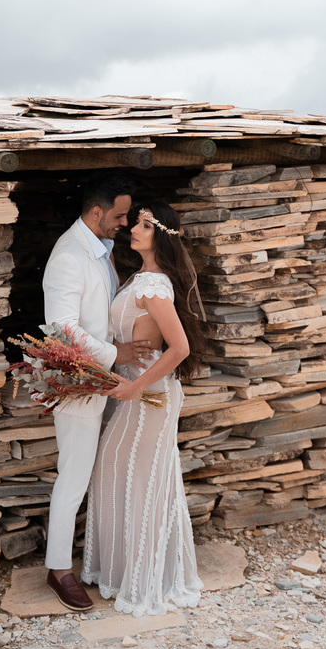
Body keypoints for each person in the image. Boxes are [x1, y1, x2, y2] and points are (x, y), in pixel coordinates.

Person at [82, 202, 206, 617]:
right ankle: (123, 573)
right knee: (121, 473)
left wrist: (135, 385)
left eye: (145, 225)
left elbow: (181, 348)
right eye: (136, 221)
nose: (134, 228)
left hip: (151, 396)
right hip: (135, 392)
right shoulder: (140, 278)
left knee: (143, 479)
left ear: (163, 235)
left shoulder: (154, 285)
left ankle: (146, 578)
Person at [41, 173, 153, 612]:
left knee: (102, 472)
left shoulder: (100, 248)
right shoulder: (69, 256)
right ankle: (58, 570)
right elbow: (61, 330)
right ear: (95, 212)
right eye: (119, 216)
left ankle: (101, 560)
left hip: (108, 379)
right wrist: (117, 350)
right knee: (73, 477)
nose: (124, 223)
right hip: (79, 385)